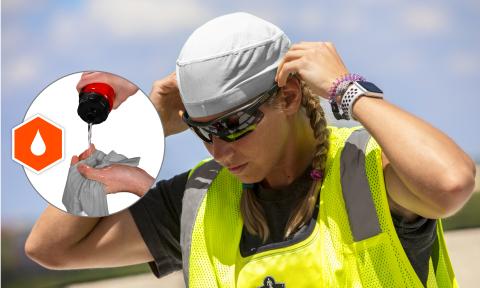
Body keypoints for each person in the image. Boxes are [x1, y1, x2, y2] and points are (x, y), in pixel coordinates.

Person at [25, 12, 475, 287]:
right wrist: (144, 130)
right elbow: (51, 248)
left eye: (234, 124)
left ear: (291, 96)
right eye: (201, 130)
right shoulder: (199, 201)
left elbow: (451, 182)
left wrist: (346, 90)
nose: (218, 150)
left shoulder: (366, 172)